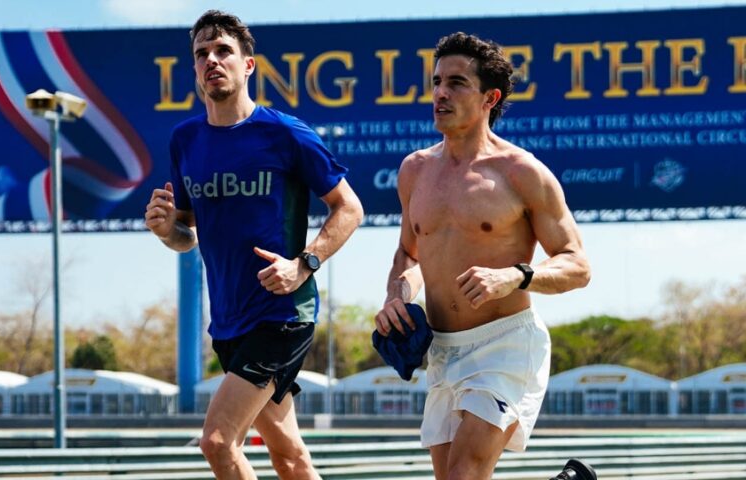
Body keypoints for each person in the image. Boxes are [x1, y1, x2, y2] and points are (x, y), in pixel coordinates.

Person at [145, 10, 363, 480]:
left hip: (282, 314)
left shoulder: (285, 133)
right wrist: (166, 231)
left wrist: (304, 263)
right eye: (202, 53)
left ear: (248, 65)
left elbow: (349, 208)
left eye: (223, 50)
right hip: (228, 323)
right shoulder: (185, 140)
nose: (211, 60)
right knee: (289, 455)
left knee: (218, 442)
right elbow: (187, 236)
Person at [374, 32, 592, 480]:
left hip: (506, 344)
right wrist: (397, 295)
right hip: (441, 350)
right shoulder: (414, 170)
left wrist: (516, 275)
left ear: (489, 98)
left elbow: (577, 265)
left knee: (464, 473)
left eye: (456, 83)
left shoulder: (522, 172)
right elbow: (409, 255)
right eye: (437, 82)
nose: (440, 93)